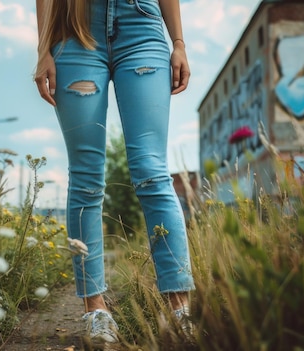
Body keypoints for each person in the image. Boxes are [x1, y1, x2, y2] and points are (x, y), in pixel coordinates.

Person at [35, 0, 195, 346]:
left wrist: (178, 43)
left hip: (142, 27)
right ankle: (96, 310)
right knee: (86, 177)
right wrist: (43, 49)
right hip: (75, 30)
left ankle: (180, 309)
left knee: (152, 172)